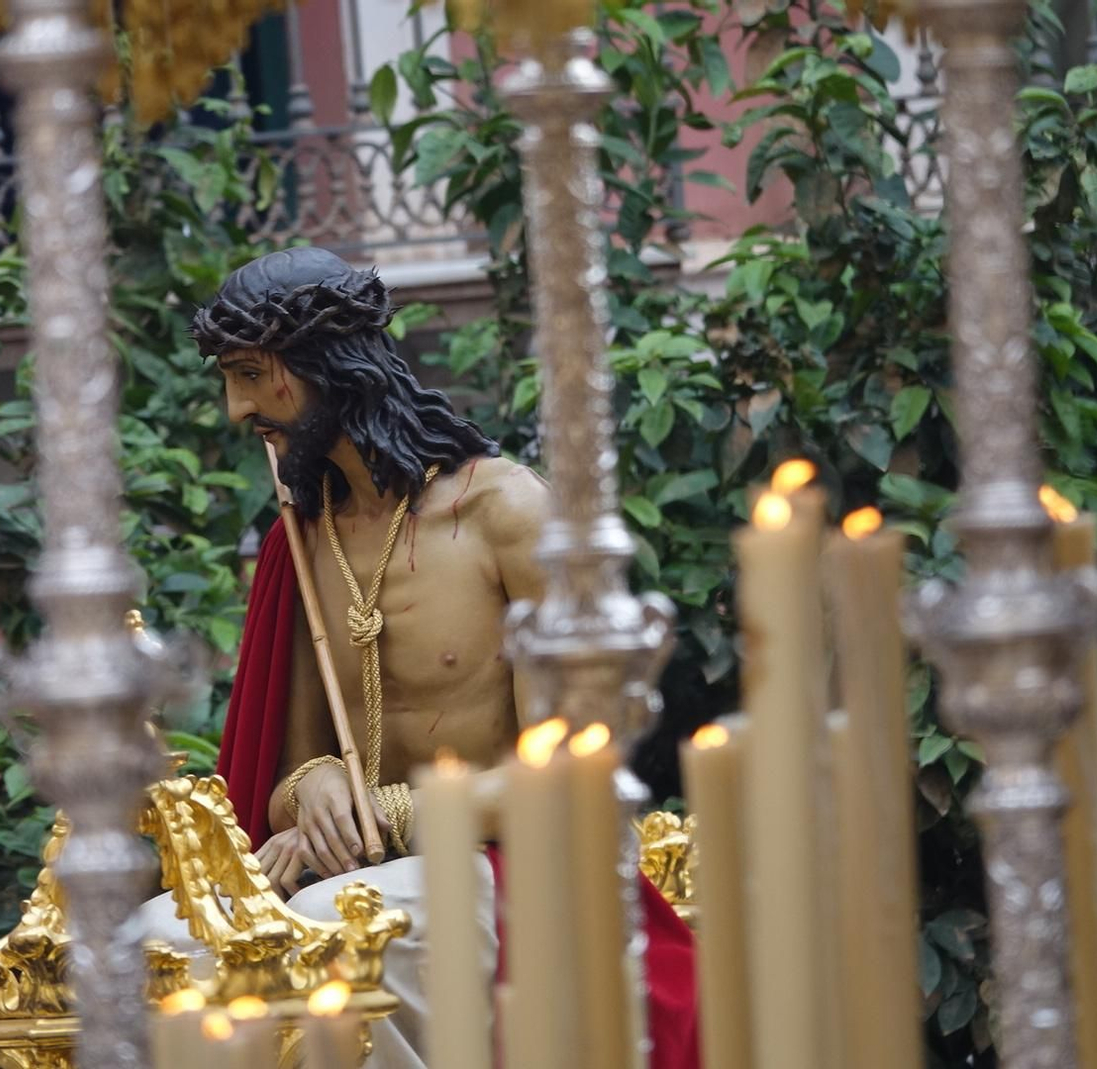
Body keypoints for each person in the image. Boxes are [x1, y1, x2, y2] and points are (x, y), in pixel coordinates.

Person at [136, 247, 698, 1069]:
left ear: (328, 359)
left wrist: (392, 811)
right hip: (360, 881)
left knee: (338, 946)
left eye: (254, 374)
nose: (236, 408)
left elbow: (576, 769)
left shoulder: (505, 511)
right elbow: (287, 773)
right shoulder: (303, 535)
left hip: (504, 872)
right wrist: (314, 784)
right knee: (154, 946)